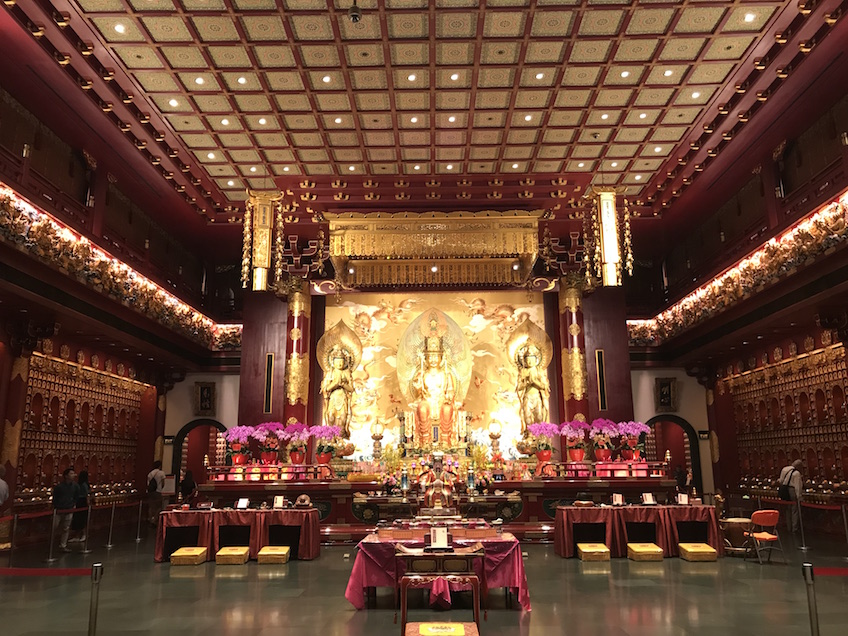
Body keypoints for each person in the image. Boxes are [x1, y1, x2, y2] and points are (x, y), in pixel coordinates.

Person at [412, 324, 458, 448]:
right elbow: (418, 395)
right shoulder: (422, 374)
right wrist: (418, 388)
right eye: (430, 356)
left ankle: (445, 440)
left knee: (448, 409)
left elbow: (450, 390)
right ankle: (425, 441)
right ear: (425, 358)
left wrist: (449, 396)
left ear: (441, 358)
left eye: (435, 356)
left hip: (441, 402)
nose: (432, 359)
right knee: (422, 408)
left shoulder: (446, 374)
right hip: (427, 402)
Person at [515, 343, 550, 437]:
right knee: (528, 418)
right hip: (527, 397)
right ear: (524, 361)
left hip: (537, 397)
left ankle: (539, 436)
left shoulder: (539, 371)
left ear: (536, 359)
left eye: (531, 359)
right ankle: (529, 436)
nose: (530, 361)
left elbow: (544, 386)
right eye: (527, 359)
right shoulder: (523, 372)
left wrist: (535, 382)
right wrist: (527, 383)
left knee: (539, 416)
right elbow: (518, 388)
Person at [320, 345, 355, 438]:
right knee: (331, 417)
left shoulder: (347, 372)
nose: (339, 364)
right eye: (337, 361)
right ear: (332, 361)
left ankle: (340, 439)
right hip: (333, 399)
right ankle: (331, 439)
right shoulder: (330, 372)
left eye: (341, 361)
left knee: (342, 418)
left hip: (342, 398)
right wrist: (335, 384)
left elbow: (351, 389)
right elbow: (325, 389)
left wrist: (343, 384)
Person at [52, 468, 79, 552]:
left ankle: (63, 545)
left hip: (69, 509)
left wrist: (72, 504)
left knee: (66, 528)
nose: (73, 475)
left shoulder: (75, 486)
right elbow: (55, 497)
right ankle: (51, 544)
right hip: (59, 509)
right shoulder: (59, 487)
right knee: (54, 527)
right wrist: (56, 506)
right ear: (66, 476)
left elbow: (76, 496)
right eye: (71, 473)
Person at [778, 459, 803, 532]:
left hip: (784, 490)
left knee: (787, 509)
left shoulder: (785, 469)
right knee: (794, 510)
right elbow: (797, 486)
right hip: (792, 491)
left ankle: (789, 528)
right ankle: (794, 529)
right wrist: (799, 497)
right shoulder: (797, 473)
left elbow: (781, 481)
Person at [69, 470, 90, 543]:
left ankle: (83, 534)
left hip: (81, 502)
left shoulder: (82, 484)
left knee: (81, 519)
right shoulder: (81, 484)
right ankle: (77, 535)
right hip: (80, 501)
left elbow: (86, 495)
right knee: (78, 519)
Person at [147, 460, 166, 525]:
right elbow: (163, 483)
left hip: (151, 491)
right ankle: (155, 519)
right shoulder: (161, 473)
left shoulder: (150, 473)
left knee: (151, 506)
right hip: (158, 491)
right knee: (159, 506)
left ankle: (150, 518)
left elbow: (148, 483)